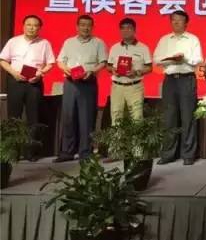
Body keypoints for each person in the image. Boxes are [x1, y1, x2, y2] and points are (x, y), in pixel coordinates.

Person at [0, 15, 55, 160]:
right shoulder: (13, 41)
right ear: (23, 26)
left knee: (33, 117)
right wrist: (14, 73)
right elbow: (3, 60)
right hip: (15, 81)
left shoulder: (44, 43)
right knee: (14, 117)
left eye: (35, 25)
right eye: (29, 25)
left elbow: (50, 63)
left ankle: (30, 152)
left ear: (39, 28)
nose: (32, 28)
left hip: (34, 82)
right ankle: (13, 151)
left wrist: (40, 74)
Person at [55, 15, 107, 162]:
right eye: (82, 25)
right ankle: (67, 152)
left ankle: (85, 152)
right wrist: (65, 69)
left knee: (87, 118)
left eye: (88, 25)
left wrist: (92, 71)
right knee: (68, 117)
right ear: (77, 26)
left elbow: (103, 62)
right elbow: (60, 61)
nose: (85, 28)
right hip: (70, 83)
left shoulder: (98, 42)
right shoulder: (69, 42)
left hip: (88, 83)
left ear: (92, 27)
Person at [153, 10, 203, 166]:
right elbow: (156, 60)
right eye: (173, 20)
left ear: (186, 23)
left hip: (186, 79)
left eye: (179, 20)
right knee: (169, 117)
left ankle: (188, 154)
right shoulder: (164, 40)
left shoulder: (192, 39)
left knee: (188, 117)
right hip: (170, 80)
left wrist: (184, 58)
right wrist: (171, 60)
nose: (176, 22)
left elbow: (198, 60)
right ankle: (168, 154)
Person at [106, 18, 152, 122]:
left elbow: (149, 68)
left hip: (135, 87)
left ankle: (137, 134)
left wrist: (136, 72)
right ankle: (117, 134)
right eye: (123, 28)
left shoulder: (143, 48)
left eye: (129, 28)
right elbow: (108, 66)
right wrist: (112, 70)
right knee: (116, 117)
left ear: (134, 30)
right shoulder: (114, 48)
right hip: (117, 87)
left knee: (137, 118)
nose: (125, 31)